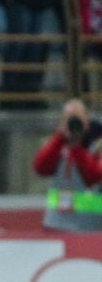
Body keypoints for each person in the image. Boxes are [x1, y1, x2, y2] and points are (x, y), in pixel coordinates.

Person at [32, 99, 102, 232]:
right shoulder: (56, 145)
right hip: (57, 223)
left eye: (77, 119)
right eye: (69, 119)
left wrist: (77, 148)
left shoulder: (98, 145)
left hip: (91, 227)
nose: (73, 124)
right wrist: (59, 138)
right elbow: (40, 168)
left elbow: (95, 175)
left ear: (87, 120)